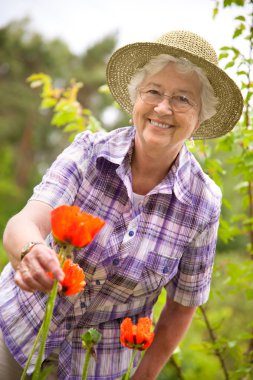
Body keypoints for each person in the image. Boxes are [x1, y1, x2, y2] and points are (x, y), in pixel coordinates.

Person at [0, 30, 243, 380]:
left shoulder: (203, 203)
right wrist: (29, 251)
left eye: (183, 99)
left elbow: (182, 306)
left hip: (97, 367)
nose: (163, 108)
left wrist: (143, 376)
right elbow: (25, 222)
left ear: (200, 116)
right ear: (136, 99)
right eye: (154, 92)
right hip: (18, 332)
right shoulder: (88, 152)